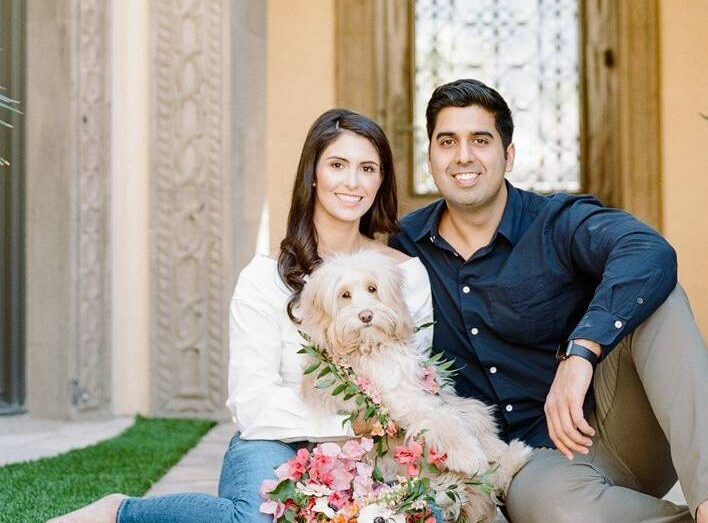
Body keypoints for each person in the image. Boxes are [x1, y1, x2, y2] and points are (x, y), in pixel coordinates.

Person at [388, 78, 708, 523]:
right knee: (549, 512)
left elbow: (648, 250)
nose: (464, 157)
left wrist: (581, 352)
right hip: (531, 464)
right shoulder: (404, 247)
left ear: (508, 154)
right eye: (447, 141)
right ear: (430, 155)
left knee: (657, 294)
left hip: (612, 427)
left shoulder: (555, 221)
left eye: (481, 140)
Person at [48, 109, 434, 523]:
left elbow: (411, 379)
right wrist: (347, 422)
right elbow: (253, 403)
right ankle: (119, 513)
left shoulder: (404, 274)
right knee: (255, 519)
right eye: (338, 165)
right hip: (277, 439)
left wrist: (369, 434)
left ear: (381, 180)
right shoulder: (264, 277)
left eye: (368, 168)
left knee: (422, 515)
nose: (353, 182)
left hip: (372, 447)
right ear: (313, 175)